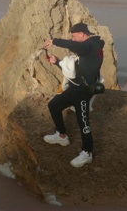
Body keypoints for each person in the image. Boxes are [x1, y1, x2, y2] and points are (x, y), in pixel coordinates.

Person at [43, 22, 104, 168]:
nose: (73, 38)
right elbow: (78, 69)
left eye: (74, 36)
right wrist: (57, 62)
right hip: (75, 88)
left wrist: (55, 41)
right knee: (54, 105)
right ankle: (61, 135)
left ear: (82, 34)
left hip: (83, 92)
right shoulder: (89, 46)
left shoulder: (91, 45)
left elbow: (74, 46)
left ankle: (87, 153)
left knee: (83, 123)